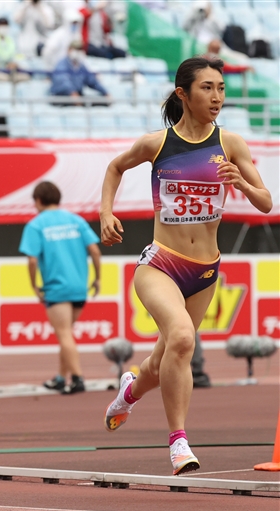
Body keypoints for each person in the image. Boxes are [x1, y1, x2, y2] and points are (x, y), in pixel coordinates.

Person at [100, 57, 272, 475]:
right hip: (161, 264)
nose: (217, 97)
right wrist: (106, 213)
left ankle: (128, 392)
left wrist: (242, 182)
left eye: (221, 89)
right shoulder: (156, 144)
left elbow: (266, 202)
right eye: (207, 88)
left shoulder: (230, 144)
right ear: (183, 94)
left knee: (163, 362)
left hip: (205, 271)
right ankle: (179, 443)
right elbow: (114, 167)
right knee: (181, 338)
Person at [19, 181, 101, 395]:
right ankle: (59, 377)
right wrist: (98, 278)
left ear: (37, 201)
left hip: (56, 288)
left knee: (64, 334)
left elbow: (32, 260)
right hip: (78, 288)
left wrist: (34, 286)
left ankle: (77, 378)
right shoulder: (76, 220)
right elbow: (95, 251)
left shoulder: (36, 225)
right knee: (67, 335)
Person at [49, 40, 109, 104]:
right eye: (75, 49)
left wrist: (105, 92)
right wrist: (72, 92)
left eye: (79, 50)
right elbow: (62, 80)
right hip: (61, 98)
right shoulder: (62, 64)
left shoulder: (81, 65)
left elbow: (91, 80)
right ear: (69, 50)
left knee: (101, 102)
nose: (77, 52)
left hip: (77, 96)